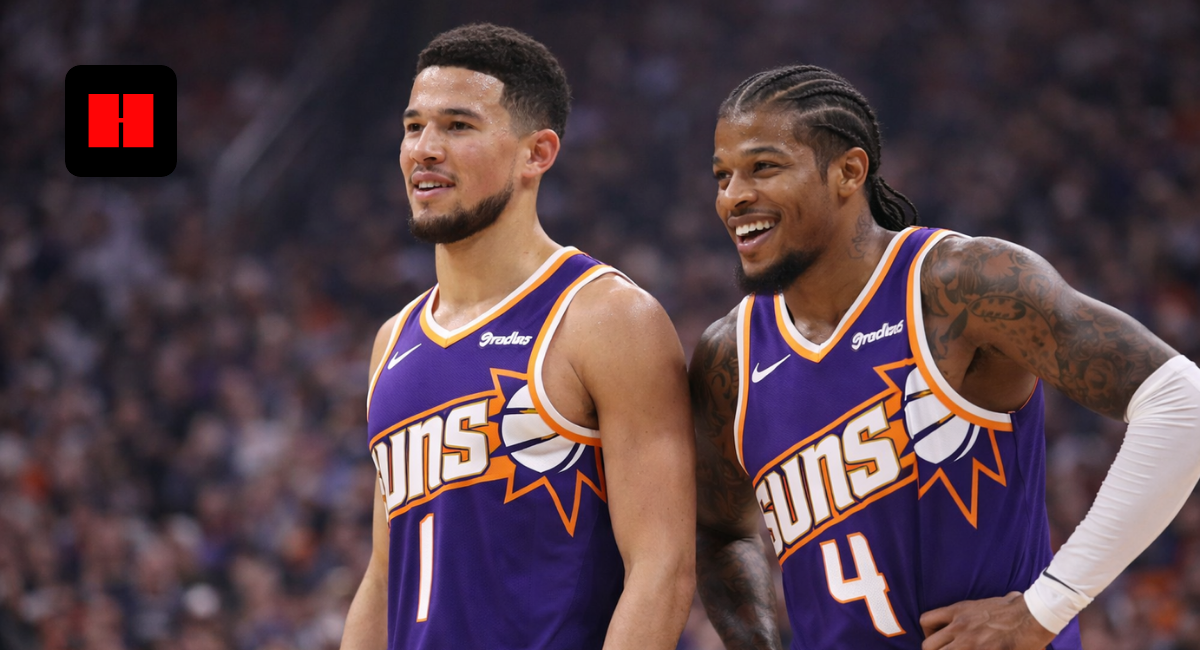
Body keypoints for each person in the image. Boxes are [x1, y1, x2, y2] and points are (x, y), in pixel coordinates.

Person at [692, 64, 1200, 650]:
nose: (733, 197)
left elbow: (1178, 399)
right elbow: (721, 532)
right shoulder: (727, 357)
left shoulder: (958, 285)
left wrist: (1047, 606)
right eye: (722, 176)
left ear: (848, 172)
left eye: (763, 167)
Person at [339, 24, 695, 650]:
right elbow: (382, 576)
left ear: (537, 153)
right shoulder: (392, 340)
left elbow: (661, 569)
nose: (424, 148)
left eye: (457, 126)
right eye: (413, 126)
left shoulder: (607, 317)